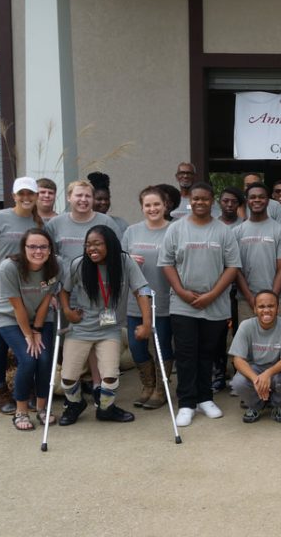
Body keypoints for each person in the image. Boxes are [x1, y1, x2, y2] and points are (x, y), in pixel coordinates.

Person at [159, 182, 241, 427]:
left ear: (212, 200)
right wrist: (182, 292)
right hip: (183, 304)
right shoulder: (175, 229)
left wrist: (213, 294)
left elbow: (233, 266)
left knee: (207, 353)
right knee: (185, 354)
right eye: (195, 199)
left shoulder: (223, 231)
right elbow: (167, 263)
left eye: (205, 199)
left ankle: (205, 397)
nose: (200, 203)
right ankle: (186, 402)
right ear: (190, 201)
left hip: (214, 304)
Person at [57, 225, 151, 425]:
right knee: (67, 379)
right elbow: (64, 291)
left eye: (97, 243)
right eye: (88, 244)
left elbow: (142, 291)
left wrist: (146, 323)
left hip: (109, 329)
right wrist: (67, 311)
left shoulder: (125, 262)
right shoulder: (78, 264)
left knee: (110, 376)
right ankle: (75, 404)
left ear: (109, 243)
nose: (92, 248)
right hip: (81, 328)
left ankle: (106, 409)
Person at [0, 176, 43, 414]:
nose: (26, 198)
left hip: (28, 297)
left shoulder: (38, 223)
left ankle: (29, 389)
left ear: (36, 196)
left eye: (30, 194)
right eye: (21, 194)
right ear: (14, 196)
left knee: (30, 344)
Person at [44, 180, 118, 400]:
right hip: (67, 295)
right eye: (78, 195)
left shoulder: (105, 222)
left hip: (102, 296)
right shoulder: (56, 224)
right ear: (69, 197)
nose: (83, 200)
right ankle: (71, 389)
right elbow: (48, 259)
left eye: (87, 196)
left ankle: (98, 384)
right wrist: (51, 292)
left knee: (101, 338)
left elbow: (116, 253)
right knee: (75, 341)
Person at [0, 228, 61, 430]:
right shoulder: (9, 267)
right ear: (24, 248)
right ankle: (20, 411)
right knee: (28, 358)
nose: (38, 251)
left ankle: (41, 408)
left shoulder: (56, 265)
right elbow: (17, 305)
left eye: (43, 247)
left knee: (45, 358)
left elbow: (48, 296)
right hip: (10, 316)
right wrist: (28, 335)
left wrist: (37, 329)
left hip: (40, 313)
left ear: (50, 249)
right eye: (32, 246)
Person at [122, 186, 174, 409]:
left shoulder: (175, 230)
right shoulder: (132, 231)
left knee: (162, 345)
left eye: (156, 204)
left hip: (164, 299)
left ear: (165, 206)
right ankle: (147, 385)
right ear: (142, 207)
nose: (152, 209)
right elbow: (120, 263)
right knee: (137, 346)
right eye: (148, 205)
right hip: (136, 301)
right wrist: (128, 260)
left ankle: (161, 390)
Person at [228, 290, 281, 423]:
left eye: (271, 306)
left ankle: (278, 404)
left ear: (278, 308)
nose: (266, 310)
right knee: (238, 382)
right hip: (254, 369)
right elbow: (238, 360)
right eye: (261, 306)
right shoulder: (246, 326)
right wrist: (256, 379)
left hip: (277, 369)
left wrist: (268, 374)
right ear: (255, 309)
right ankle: (256, 406)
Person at [234, 182, 281, 326]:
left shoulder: (280, 231)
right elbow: (236, 270)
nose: (257, 200)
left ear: (269, 200)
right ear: (247, 200)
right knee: (249, 345)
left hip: (276, 299)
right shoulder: (236, 232)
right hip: (245, 301)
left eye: (261, 197)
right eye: (252, 197)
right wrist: (251, 299)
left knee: (276, 344)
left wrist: (271, 299)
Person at [88, 171, 129, 236]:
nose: (104, 202)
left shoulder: (120, 224)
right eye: (99, 199)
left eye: (106, 199)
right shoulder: (85, 222)